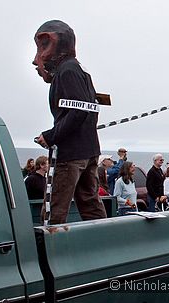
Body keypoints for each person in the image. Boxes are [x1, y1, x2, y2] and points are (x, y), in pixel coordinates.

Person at [32, 20, 106, 224]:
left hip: (70, 154)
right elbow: (86, 110)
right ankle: (104, 243)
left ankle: (49, 252)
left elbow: (77, 111)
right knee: (90, 203)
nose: (35, 61)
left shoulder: (67, 71)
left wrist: (50, 136)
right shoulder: (79, 70)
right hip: (88, 150)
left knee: (53, 208)